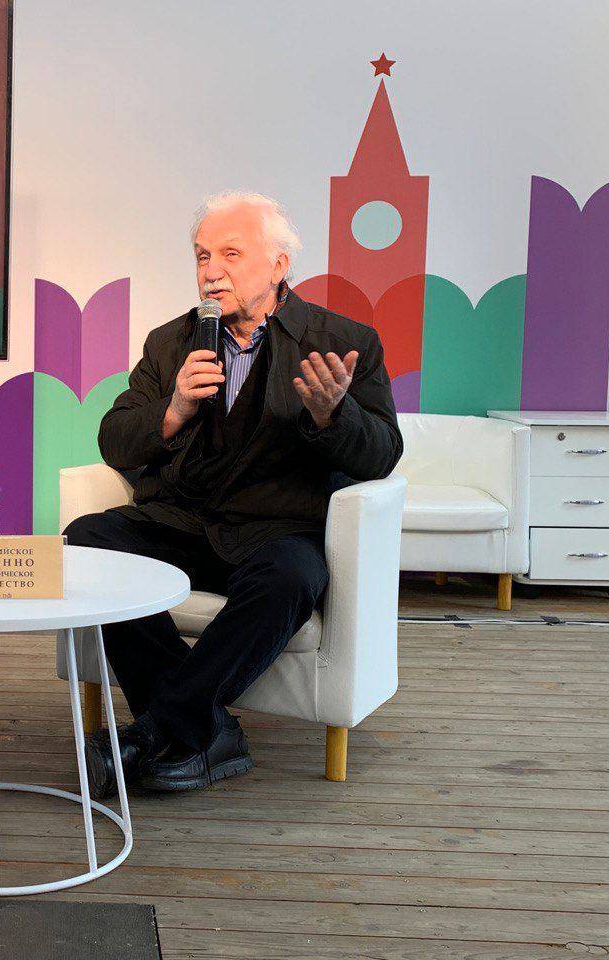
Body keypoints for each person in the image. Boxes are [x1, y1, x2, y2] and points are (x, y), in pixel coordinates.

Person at [66, 191, 402, 798]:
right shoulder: (170, 342)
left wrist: (334, 415)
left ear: (279, 265)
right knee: (89, 538)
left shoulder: (342, 340)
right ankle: (205, 730)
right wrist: (173, 408)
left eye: (230, 254)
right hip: (185, 522)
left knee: (292, 577)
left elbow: (382, 454)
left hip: (277, 532)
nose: (211, 271)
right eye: (202, 256)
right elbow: (115, 440)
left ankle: (156, 731)